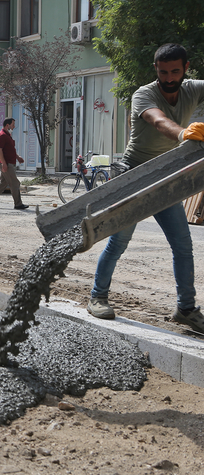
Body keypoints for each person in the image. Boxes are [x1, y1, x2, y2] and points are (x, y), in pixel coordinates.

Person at [87, 43, 204, 332]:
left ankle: (186, 309)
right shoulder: (145, 94)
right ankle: (97, 297)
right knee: (119, 242)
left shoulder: (193, 88)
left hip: (165, 177)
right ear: (156, 69)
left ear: (185, 68)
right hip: (134, 175)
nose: (169, 77)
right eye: (163, 72)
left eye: (175, 71)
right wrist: (184, 133)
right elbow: (158, 120)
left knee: (183, 246)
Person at [0, 118, 28, 210]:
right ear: (7, 125)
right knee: (15, 183)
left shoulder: (8, 135)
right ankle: (18, 204)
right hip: (6, 164)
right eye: (13, 124)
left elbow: (10, 150)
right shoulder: (2, 135)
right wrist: (4, 163)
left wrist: (17, 157)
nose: (14, 126)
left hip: (8, 163)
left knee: (2, 184)